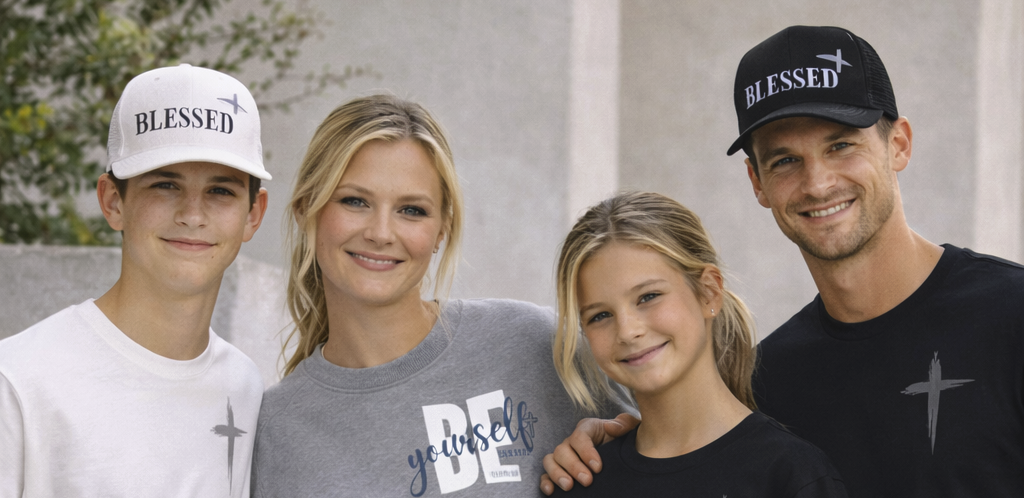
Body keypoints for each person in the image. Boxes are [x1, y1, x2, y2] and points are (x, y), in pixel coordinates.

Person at [540, 25, 1024, 497]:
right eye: (785, 160)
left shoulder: (1010, 315)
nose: (817, 183)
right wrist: (616, 450)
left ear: (898, 144)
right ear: (757, 182)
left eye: (840, 145)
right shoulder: (767, 380)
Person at [250, 94, 626, 497]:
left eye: (411, 210)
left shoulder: (534, 344)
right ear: (307, 209)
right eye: (354, 201)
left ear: (442, 229)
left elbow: (680, 454)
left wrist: (619, 445)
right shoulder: (276, 428)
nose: (380, 232)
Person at [0, 64, 271, 497]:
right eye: (165, 185)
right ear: (113, 202)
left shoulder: (244, 386)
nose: (193, 215)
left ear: (253, 214)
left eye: (221, 190)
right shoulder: (17, 383)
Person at [548, 191, 846, 497]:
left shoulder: (790, 475)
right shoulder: (579, 482)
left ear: (708, 293)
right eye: (600, 315)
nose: (627, 330)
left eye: (648, 297)